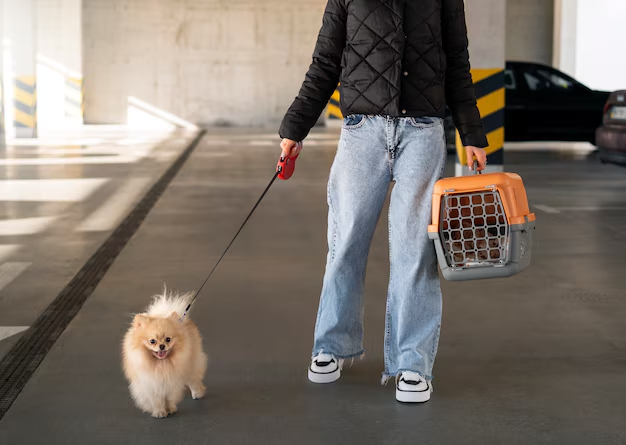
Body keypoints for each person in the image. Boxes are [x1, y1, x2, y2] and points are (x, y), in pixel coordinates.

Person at [278, 0, 488, 403]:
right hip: (361, 131)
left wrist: (471, 133)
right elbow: (326, 61)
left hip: (423, 130)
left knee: (415, 250)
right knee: (346, 243)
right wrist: (295, 128)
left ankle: (412, 363)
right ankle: (331, 345)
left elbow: (457, 62)